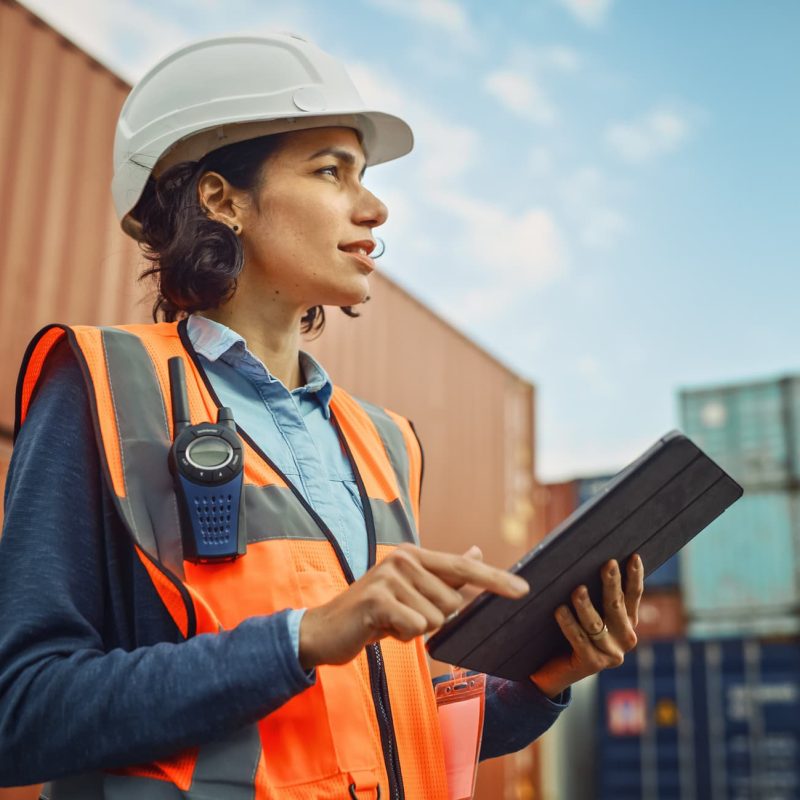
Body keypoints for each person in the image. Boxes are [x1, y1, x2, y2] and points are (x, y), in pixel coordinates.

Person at [0, 34, 643, 799]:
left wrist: (539, 683)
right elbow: (22, 716)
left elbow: (377, 732)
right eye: (331, 171)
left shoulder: (384, 442)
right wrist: (302, 638)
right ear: (221, 198)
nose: (375, 207)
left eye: (363, 177)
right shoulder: (103, 384)